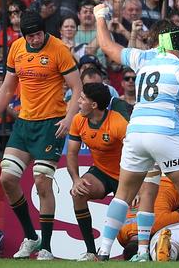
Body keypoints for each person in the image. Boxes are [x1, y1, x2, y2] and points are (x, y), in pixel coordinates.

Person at [93, 3, 179, 262]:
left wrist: (100, 18)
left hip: (137, 132)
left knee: (123, 195)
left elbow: (108, 47)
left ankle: (103, 250)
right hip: (166, 133)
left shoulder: (144, 60)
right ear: (177, 45)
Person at [0, 10, 82, 260]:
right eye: (29, 35)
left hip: (50, 125)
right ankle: (31, 237)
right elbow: (8, 87)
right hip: (24, 123)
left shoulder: (59, 50)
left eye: (37, 34)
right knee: (7, 178)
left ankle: (46, 245)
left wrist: (68, 118)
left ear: (44, 31)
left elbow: (77, 87)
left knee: (42, 181)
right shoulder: (16, 48)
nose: (34, 39)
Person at [67, 83, 128, 261]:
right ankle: (91, 252)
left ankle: (142, 251)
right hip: (101, 172)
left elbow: (138, 154)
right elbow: (71, 153)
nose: (78, 101)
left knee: (133, 221)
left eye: (82, 98)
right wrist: (76, 179)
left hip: (126, 176)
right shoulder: (79, 120)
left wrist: (137, 185)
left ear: (94, 105)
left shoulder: (118, 122)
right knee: (78, 193)